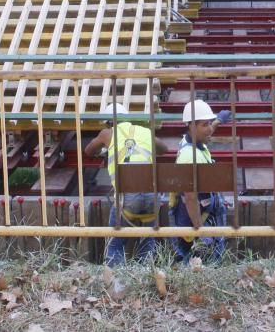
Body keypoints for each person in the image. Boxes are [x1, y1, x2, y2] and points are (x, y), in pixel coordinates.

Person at [84, 103, 169, 266]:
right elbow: (163, 148)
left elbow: (88, 151)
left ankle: (117, 282)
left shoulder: (106, 133)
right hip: (152, 195)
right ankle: (144, 279)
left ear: (108, 122)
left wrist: (105, 148)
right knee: (147, 243)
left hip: (127, 198)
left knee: (115, 245)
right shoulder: (145, 131)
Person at [169, 100, 228, 262]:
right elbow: (190, 196)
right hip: (195, 220)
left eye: (210, 123)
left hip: (200, 214)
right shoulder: (190, 157)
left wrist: (219, 121)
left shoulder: (191, 142)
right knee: (201, 264)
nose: (210, 129)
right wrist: (199, 230)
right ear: (191, 126)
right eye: (205, 125)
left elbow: (207, 131)